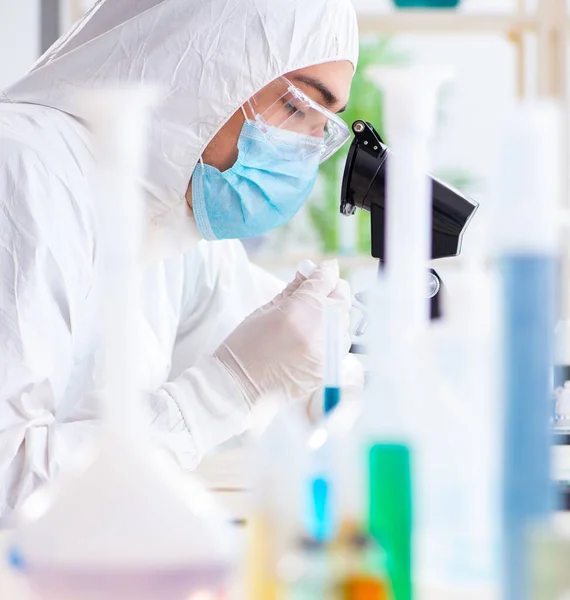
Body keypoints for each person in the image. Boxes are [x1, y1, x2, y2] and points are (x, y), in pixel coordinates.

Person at [0, 0, 361, 521]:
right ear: (211, 67)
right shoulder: (26, 172)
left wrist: (333, 367)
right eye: (298, 106)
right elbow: (10, 485)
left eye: (323, 125)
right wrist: (225, 392)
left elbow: (278, 348)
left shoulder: (168, 215)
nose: (304, 149)